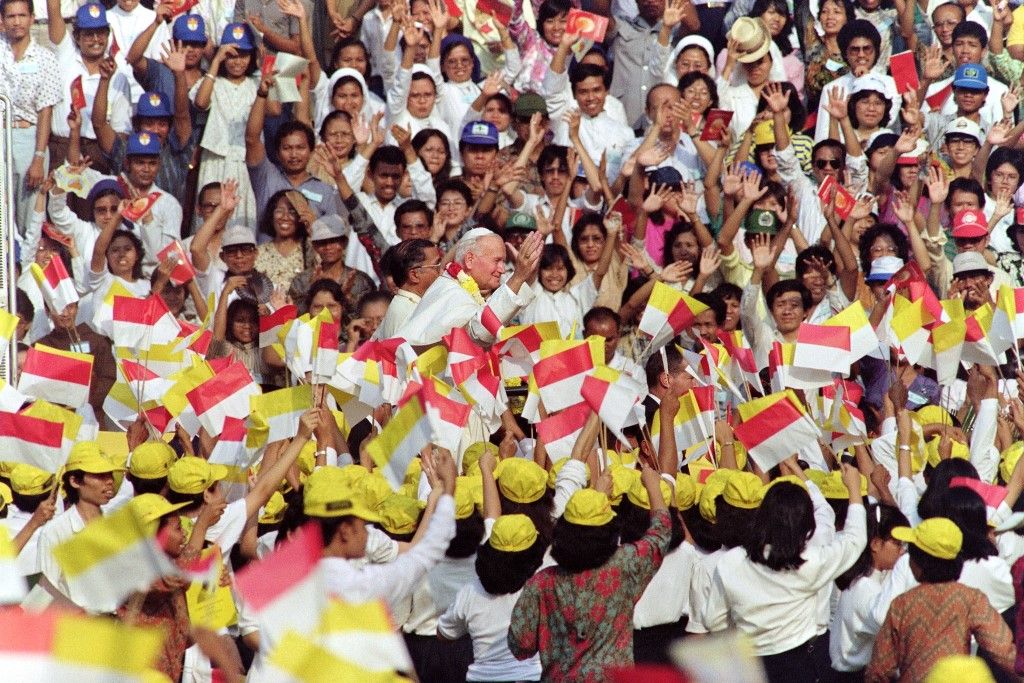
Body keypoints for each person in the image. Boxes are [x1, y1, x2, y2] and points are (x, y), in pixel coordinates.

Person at [703, 464, 866, 681]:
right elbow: (855, 540)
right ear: (807, 526)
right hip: (799, 665)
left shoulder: (729, 562)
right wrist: (854, 489)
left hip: (750, 667)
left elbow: (714, 621)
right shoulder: (810, 562)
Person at [508, 466, 673, 678]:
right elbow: (661, 533)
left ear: (562, 531)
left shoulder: (542, 583)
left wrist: (596, 499)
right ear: (611, 532)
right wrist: (653, 487)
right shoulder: (624, 565)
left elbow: (521, 645)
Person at [866, 518, 1017, 681]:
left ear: (919, 561)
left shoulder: (902, 605)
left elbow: (879, 669)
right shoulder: (971, 599)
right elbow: (1003, 651)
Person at [398, 227, 542, 346]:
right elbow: (480, 331)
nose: (502, 269)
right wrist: (518, 277)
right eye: (497, 260)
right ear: (470, 260)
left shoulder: (456, 286)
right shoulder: (452, 293)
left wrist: (525, 276)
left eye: (503, 262)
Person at [0, 0, 60, 232]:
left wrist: (38, 156)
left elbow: (45, 110)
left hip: (28, 137)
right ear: (2, 21)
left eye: (22, 16)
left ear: (32, 18)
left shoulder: (45, 58)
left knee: (29, 218)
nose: (17, 22)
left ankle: (26, 267)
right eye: (11, 16)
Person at [376, 239, 443, 339]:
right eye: (436, 266)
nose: (442, 272)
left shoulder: (406, 305)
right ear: (414, 275)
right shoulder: (410, 314)